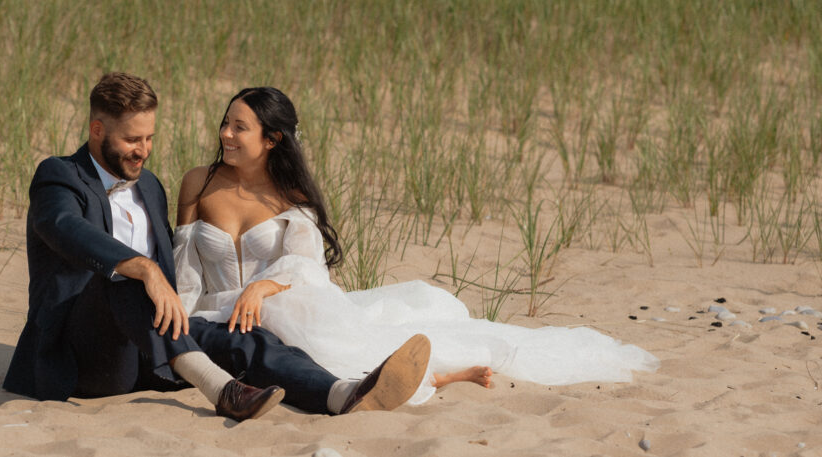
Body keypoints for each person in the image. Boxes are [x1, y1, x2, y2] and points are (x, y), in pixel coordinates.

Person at [174, 87, 660, 405]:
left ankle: (429, 376)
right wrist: (184, 314)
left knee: (316, 337)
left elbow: (305, 265)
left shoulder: (291, 196)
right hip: (213, 310)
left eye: (239, 127)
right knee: (278, 347)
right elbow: (185, 265)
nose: (225, 134)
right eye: (225, 123)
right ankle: (426, 378)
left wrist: (263, 289)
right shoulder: (199, 181)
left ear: (273, 139)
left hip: (276, 302)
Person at [3, 73, 432, 420]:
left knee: (246, 337)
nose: (144, 151)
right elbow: (63, 226)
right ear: (98, 130)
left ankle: (341, 393)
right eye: (133, 140)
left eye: (150, 138)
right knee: (127, 278)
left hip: (152, 356)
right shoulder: (58, 175)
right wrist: (142, 267)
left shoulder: (149, 186)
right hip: (83, 355)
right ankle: (220, 388)